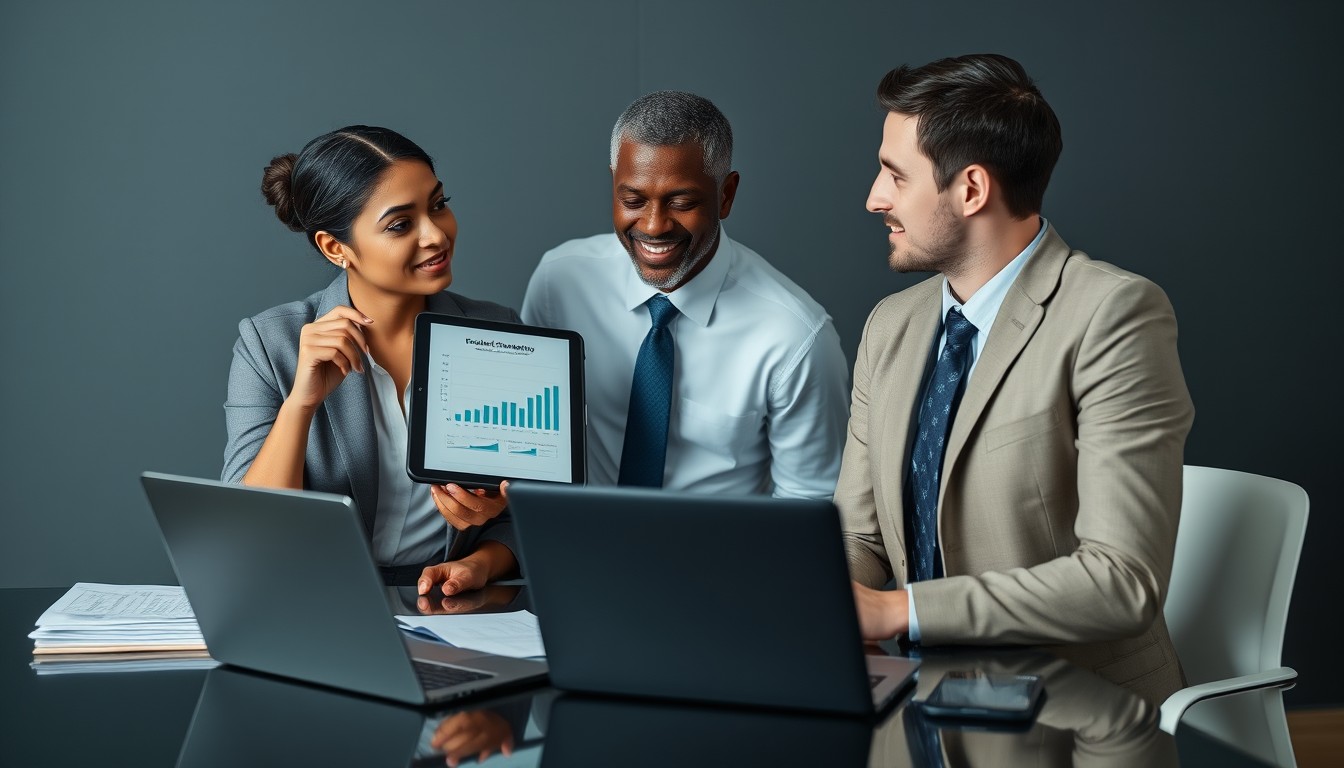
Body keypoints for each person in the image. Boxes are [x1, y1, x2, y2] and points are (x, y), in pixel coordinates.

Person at [839, 55, 1194, 705]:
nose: (874, 197)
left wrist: (898, 612)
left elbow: (1121, 582)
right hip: (917, 700)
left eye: (894, 175)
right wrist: (823, 602)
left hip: (1076, 716)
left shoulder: (1115, 316)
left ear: (971, 190)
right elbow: (860, 536)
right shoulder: (889, 326)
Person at [222, 126, 518, 596]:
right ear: (335, 248)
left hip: (451, 607)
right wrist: (301, 403)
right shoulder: (269, 342)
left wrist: (482, 560)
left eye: (438, 205)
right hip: (315, 602)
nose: (436, 234)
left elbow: (528, 511)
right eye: (401, 224)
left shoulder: (498, 333)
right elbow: (250, 535)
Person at [521, 91, 849, 497]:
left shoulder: (795, 337)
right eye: (633, 199)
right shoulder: (559, 283)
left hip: (718, 557)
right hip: (571, 545)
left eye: (681, 201)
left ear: (725, 195)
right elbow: (529, 448)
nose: (654, 226)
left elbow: (809, 508)